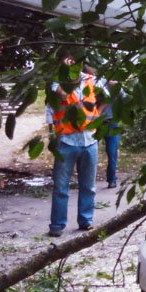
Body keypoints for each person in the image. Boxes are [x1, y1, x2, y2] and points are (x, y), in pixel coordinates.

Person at [46, 54, 100, 237]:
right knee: (61, 187)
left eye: (74, 60)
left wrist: (99, 116)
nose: (71, 64)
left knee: (88, 186)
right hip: (66, 141)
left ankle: (86, 221)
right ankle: (57, 225)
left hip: (89, 140)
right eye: (67, 61)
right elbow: (63, 94)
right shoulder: (56, 83)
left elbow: (110, 95)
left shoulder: (92, 81)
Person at [87, 65, 121, 189]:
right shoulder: (96, 85)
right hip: (97, 122)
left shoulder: (116, 87)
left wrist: (117, 87)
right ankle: (87, 180)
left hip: (112, 123)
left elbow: (125, 99)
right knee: (90, 152)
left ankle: (112, 179)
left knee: (112, 153)